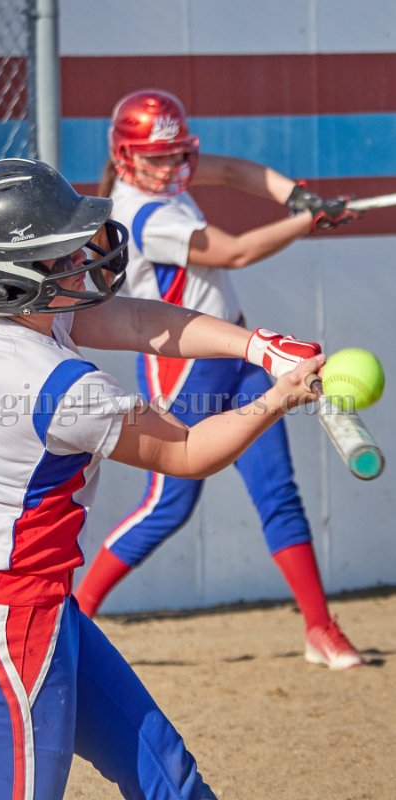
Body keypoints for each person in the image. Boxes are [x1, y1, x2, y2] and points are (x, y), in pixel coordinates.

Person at [0, 157, 324, 799]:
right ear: (7, 282)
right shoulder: (57, 386)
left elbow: (137, 321)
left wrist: (257, 346)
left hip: (34, 605)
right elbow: (187, 450)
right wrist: (277, 398)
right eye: (57, 253)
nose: (80, 256)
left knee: (168, 776)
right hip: (0, 619)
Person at [74, 87, 364, 671]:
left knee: (278, 491)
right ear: (125, 156)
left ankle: (320, 627)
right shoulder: (141, 213)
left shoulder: (168, 181)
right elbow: (233, 252)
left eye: (176, 153)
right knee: (168, 507)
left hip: (239, 352)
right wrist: (307, 220)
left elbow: (233, 172)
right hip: (185, 374)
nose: (170, 166)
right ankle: (75, 617)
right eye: (155, 157)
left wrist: (296, 195)